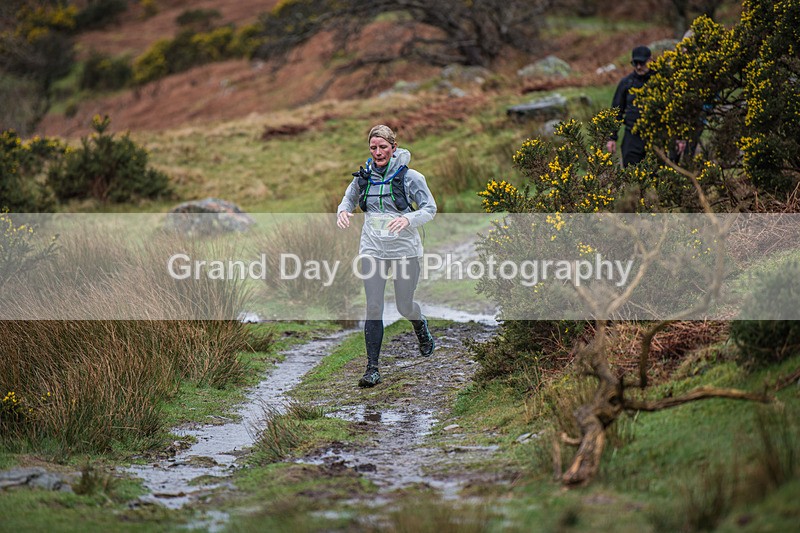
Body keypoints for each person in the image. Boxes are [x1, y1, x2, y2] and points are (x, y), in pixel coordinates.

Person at [336, 124, 437, 388]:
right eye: (373, 148)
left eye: (383, 147)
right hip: (372, 249)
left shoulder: (411, 177)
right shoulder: (363, 177)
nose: (378, 152)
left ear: (393, 147)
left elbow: (430, 208)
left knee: (404, 305)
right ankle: (372, 369)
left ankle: (420, 325)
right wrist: (343, 212)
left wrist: (408, 219)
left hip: (405, 251)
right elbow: (347, 200)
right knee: (373, 306)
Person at [606, 45, 653, 167]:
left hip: (654, 134)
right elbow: (616, 110)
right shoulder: (626, 82)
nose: (638, 67)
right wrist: (612, 138)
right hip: (632, 135)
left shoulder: (659, 80)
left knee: (656, 173)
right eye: (635, 63)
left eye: (642, 63)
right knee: (630, 171)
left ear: (649, 61)